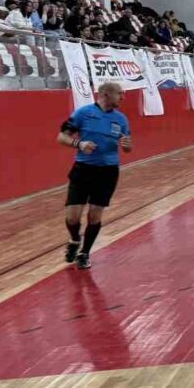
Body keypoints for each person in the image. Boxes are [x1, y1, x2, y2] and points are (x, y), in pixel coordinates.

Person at [57, 81, 133, 269]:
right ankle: (75, 239)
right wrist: (79, 144)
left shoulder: (121, 119)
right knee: (72, 217)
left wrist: (127, 146)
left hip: (108, 172)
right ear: (106, 94)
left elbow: (128, 146)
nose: (123, 98)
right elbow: (61, 137)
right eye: (120, 94)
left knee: (94, 216)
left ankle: (84, 253)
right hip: (83, 169)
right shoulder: (83, 113)